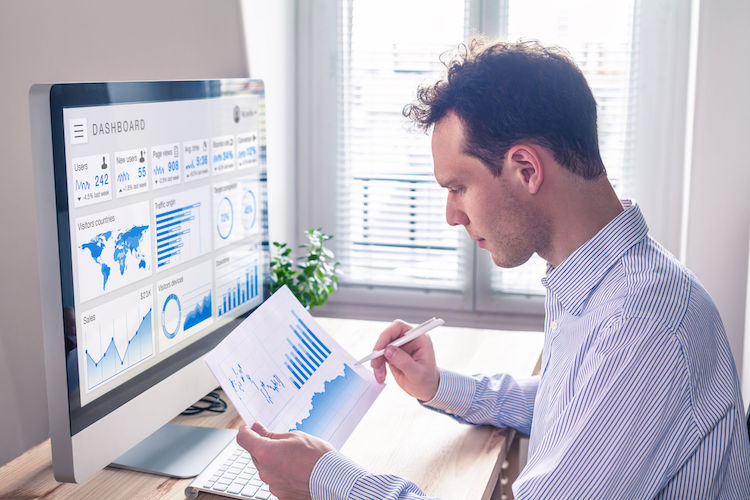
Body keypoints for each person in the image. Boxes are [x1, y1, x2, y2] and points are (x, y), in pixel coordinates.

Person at [237, 38, 750, 499]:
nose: (451, 215)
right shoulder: (610, 278)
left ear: (526, 170)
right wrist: (439, 385)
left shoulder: (643, 326)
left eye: (458, 187)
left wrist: (327, 479)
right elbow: (566, 409)